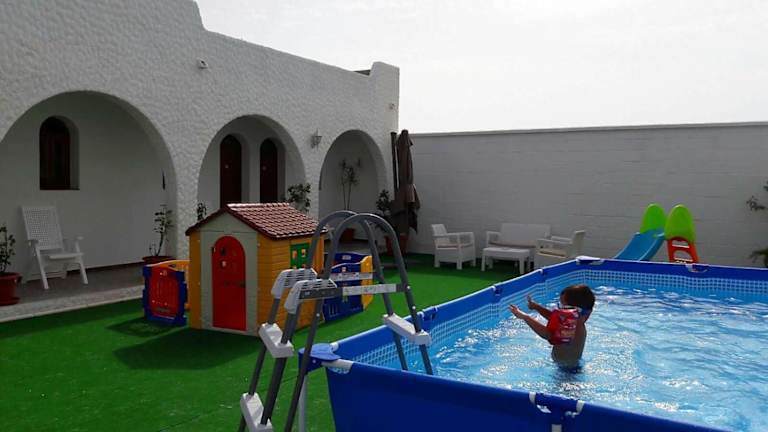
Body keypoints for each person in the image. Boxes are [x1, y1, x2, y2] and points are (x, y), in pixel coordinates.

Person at [509, 284, 595, 367]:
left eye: (563, 307)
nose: (560, 309)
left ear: (573, 311)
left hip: (566, 372)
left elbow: (547, 334)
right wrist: (537, 307)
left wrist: (525, 317)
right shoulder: (575, 323)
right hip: (567, 367)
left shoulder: (573, 329)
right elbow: (554, 318)